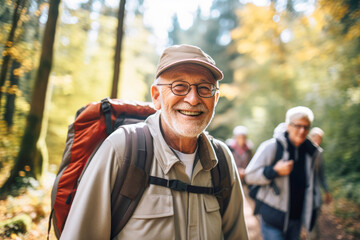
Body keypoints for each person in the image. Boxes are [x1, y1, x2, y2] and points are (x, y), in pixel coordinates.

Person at [60, 44, 249, 240]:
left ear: (215, 98)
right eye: (179, 86)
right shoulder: (121, 150)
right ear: (157, 96)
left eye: (204, 88)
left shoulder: (223, 160)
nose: (193, 99)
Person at [244, 106, 323, 240]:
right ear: (288, 126)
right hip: (272, 219)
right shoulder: (271, 147)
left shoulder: (312, 153)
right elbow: (249, 176)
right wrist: (274, 171)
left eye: (306, 127)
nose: (302, 131)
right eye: (298, 126)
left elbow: (313, 185)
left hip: (296, 219)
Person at [308, 127, 332, 240]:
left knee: (314, 218)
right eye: (316, 138)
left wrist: (327, 191)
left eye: (320, 139)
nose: (318, 141)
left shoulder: (319, 153)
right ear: (311, 138)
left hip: (315, 192)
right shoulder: (303, 151)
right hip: (303, 192)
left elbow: (322, 175)